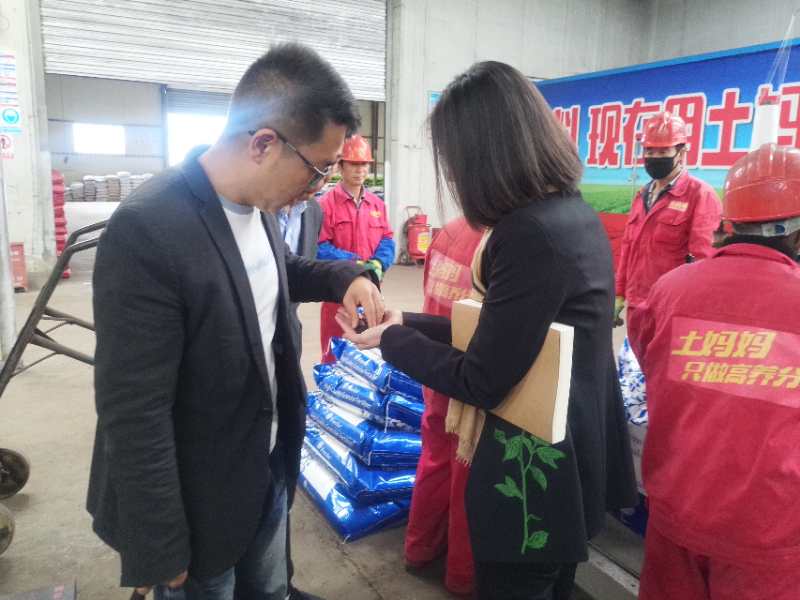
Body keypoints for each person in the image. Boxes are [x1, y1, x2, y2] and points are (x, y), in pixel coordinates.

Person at [87, 44, 384, 600]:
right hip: (199, 496)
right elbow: (133, 406)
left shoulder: (257, 205)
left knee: (269, 587)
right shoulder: (149, 228)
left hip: (265, 463)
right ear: (264, 143)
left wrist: (345, 277)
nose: (320, 185)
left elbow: (274, 271)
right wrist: (160, 542)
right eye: (318, 168)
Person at [338, 61, 637, 600]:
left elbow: (481, 377)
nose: (454, 177)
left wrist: (392, 341)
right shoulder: (571, 213)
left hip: (534, 477)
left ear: (483, 157)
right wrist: (407, 321)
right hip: (574, 452)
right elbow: (504, 331)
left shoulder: (529, 233)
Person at [629, 143, 800, 600]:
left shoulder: (669, 290)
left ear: (731, 221)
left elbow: (649, 363)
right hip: (767, 534)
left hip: (676, 511)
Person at [404, 217, 483, 596]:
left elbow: (428, 292)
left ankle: (418, 549)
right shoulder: (500, 241)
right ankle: (462, 576)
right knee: (468, 476)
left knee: (435, 459)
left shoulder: (447, 232)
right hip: (469, 376)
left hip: (435, 368)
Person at [615, 111, 721, 343]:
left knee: (662, 364)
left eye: (663, 152)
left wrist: (694, 312)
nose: (654, 158)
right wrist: (619, 292)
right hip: (636, 306)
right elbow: (628, 247)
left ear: (681, 152)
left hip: (671, 309)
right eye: (650, 151)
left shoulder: (699, 195)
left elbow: (704, 261)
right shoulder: (642, 195)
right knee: (635, 363)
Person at [316, 134, 395, 362]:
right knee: (334, 354)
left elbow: (387, 238)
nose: (360, 170)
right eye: (354, 164)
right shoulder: (325, 205)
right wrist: (355, 264)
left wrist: (378, 262)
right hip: (338, 295)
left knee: (368, 355)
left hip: (372, 293)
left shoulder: (377, 205)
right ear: (341, 166)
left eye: (364, 165)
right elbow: (319, 248)